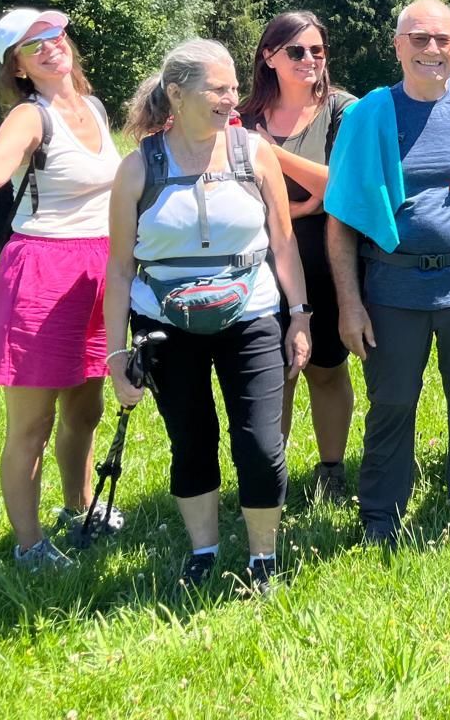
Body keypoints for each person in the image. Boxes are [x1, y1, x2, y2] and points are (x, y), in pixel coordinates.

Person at [105, 39, 313, 594]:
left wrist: (299, 316)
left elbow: (284, 245)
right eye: (217, 89)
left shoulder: (254, 152)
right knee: (191, 439)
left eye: (233, 88)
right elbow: (120, 270)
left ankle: (263, 558)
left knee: (261, 442)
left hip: (254, 315)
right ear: (176, 93)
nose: (230, 99)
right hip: (165, 324)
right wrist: (117, 354)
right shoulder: (138, 168)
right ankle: (203, 551)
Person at [326, 0, 450, 547]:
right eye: (418, 38)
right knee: (391, 403)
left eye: (442, 40)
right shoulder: (369, 116)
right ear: (398, 45)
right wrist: (349, 303)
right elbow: (341, 221)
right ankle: (380, 516)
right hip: (391, 291)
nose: (431, 49)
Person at [0, 8, 122, 568]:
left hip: (97, 271)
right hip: (42, 273)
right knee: (33, 424)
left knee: (86, 409)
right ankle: (29, 545)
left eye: (54, 34)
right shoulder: (29, 117)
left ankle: (78, 504)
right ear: (16, 64)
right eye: (30, 44)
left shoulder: (92, 106)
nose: (48, 46)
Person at [238, 11, 358, 502]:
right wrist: (306, 202)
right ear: (269, 56)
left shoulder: (342, 110)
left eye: (317, 51)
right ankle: (272, 478)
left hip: (327, 263)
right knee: (274, 374)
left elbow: (341, 185)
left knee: (326, 369)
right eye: (296, 51)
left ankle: (332, 471)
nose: (309, 59)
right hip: (256, 265)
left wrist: (269, 152)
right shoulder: (241, 116)